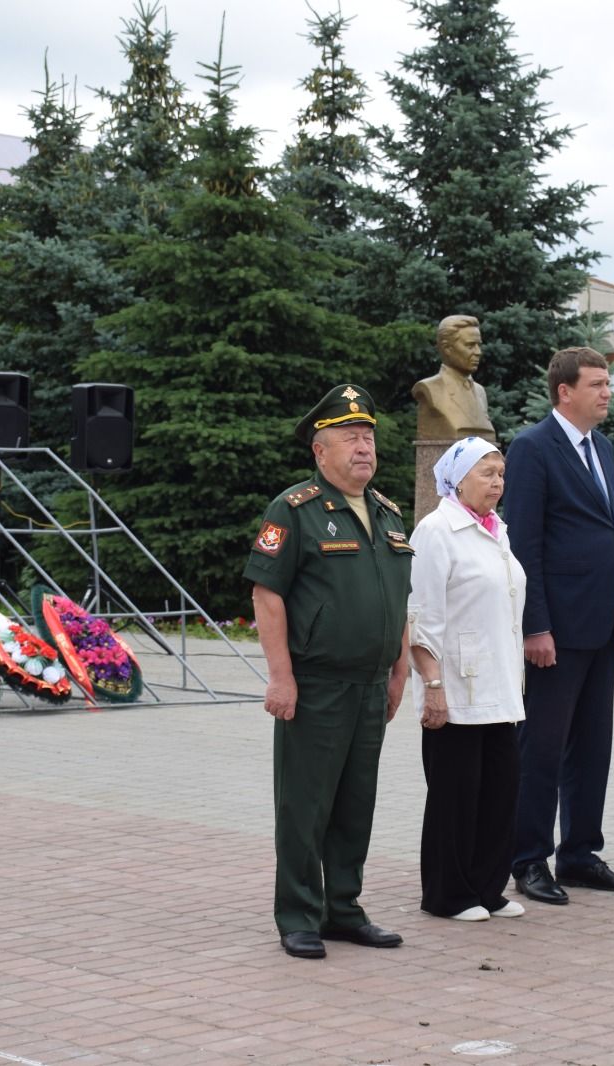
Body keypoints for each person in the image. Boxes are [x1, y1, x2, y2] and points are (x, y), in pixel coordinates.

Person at [245, 384, 414, 960]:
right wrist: (280, 676)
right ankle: (298, 914)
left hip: (371, 685)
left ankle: (343, 907)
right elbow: (267, 595)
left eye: (368, 438)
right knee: (304, 804)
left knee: (354, 803)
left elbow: (399, 596)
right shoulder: (294, 510)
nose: (364, 448)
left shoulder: (389, 513)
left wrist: (399, 669)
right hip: (315, 685)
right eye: (350, 438)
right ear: (320, 451)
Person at [502, 347, 614, 904]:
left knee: (593, 746)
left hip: (601, 624)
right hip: (556, 629)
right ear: (565, 391)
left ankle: (581, 853)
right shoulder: (534, 448)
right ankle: (528, 858)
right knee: (543, 747)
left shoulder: (601, 447)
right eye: (598, 384)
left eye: (609, 384)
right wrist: (535, 625)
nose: (608, 393)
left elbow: (611, 534)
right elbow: (525, 543)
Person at [409, 437, 527, 922]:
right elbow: (419, 617)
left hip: (500, 687)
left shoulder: (497, 530)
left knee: (499, 792)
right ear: (457, 479)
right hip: (456, 688)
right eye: (486, 473)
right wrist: (433, 686)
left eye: (500, 473)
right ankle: (448, 894)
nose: (497, 482)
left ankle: (487, 887)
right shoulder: (436, 531)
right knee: (455, 796)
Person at [412, 315, 497, 442]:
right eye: (470, 346)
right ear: (447, 349)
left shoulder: (480, 391)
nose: (478, 352)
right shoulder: (429, 389)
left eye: (478, 345)